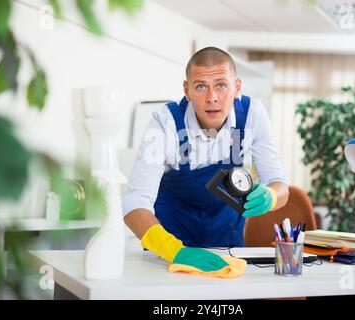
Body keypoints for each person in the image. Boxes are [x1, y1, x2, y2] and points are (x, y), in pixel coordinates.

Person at [122, 47, 289, 273]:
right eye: (201, 86)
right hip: (170, 244)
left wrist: (270, 196)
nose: (212, 98)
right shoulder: (166, 122)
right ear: (187, 90)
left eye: (221, 85)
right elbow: (135, 202)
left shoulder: (252, 114)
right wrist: (173, 250)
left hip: (227, 239)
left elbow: (279, 184)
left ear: (237, 87)